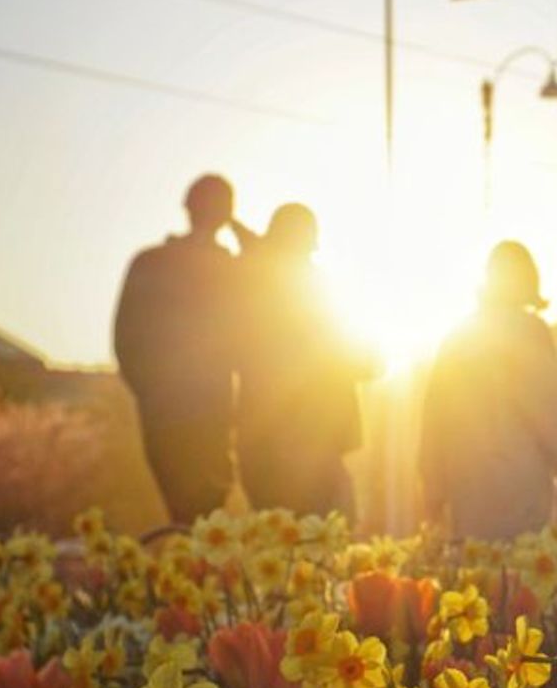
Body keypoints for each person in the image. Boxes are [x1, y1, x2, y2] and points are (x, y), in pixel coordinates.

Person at [419, 241, 557, 541]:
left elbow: (434, 418)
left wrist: (433, 486)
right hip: (521, 481)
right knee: (522, 576)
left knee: (474, 580)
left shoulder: (458, 337)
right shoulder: (530, 331)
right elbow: (553, 409)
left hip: (466, 483)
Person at [230, 203, 377, 519]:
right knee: (326, 547)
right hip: (315, 447)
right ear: (311, 241)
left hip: (263, 450)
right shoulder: (321, 291)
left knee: (277, 551)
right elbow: (368, 362)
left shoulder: (249, 289)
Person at [113, 174, 242, 524]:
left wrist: (152, 395)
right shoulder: (229, 269)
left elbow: (126, 340)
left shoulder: (153, 262)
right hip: (195, 412)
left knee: (194, 519)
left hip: (181, 413)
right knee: (203, 521)